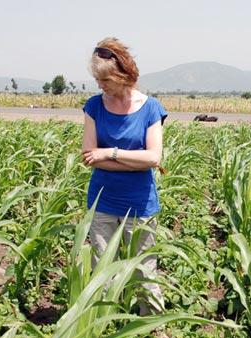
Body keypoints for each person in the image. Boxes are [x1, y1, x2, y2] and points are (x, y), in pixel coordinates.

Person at [82, 37, 167, 315]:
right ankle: (103, 322)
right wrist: (134, 160)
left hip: (140, 204)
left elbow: (154, 158)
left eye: (105, 79)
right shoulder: (94, 106)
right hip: (103, 201)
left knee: (145, 268)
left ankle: (151, 326)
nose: (100, 85)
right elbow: (89, 156)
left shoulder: (150, 108)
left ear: (122, 75)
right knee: (101, 267)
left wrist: (109, 154)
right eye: (97, 79)